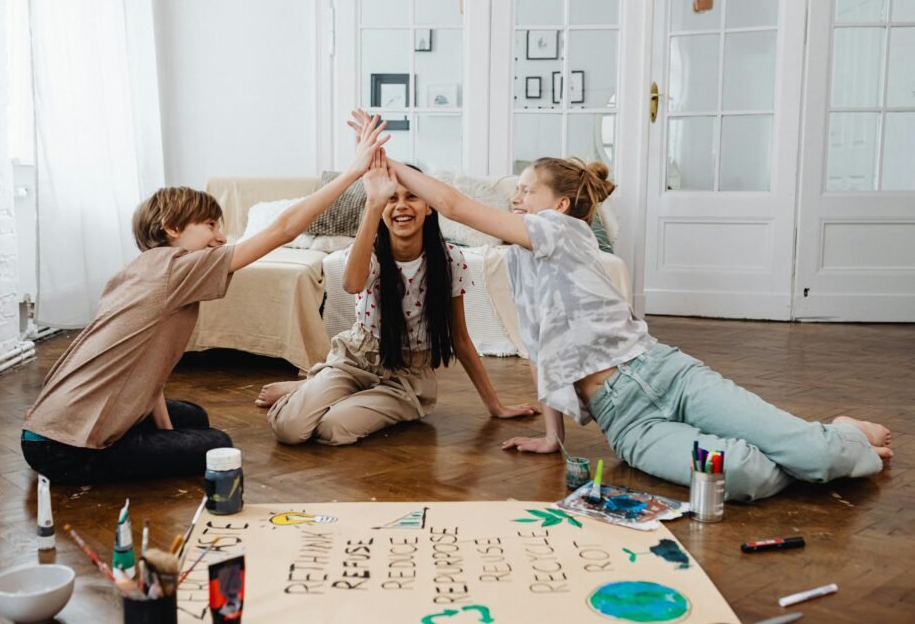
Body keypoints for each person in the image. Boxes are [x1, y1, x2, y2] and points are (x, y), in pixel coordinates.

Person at [349, 110, 892, 501]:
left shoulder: (563, 231)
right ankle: (810, 448)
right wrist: (553, 436)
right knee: (742, 477)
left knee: (814, 453)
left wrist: (384, 162)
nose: (515, 196)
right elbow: (544, 353)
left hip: (666, 375)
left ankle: (834, 438)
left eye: (526, 189)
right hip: (627, 424)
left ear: (560, 205)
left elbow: (451, 204)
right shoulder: (518, 260)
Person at [20, 119, 391, 483]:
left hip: (43, 430)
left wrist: (167, 437)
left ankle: (132, 440)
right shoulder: (178, 268)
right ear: (171, 227)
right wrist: (352, 172)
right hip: (67, 447)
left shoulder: (137, 270)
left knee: (192, 418)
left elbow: (145, 370)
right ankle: (110, 450)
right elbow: (284, 229)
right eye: (211, 225)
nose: (221, 237)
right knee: (216, 445)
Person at [257, 148, 539, 445]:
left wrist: (495, 406)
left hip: (406, 379)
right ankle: (316, 387)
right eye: (391, 199)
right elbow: (352, 284)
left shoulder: (450, 260)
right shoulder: (370, 252)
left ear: (429, 207)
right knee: (289, 428)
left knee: (331, 428)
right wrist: (373, 204)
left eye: (412, 197)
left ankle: (316, 390)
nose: (401, 206)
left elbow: (460, 338)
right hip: (355, 360)